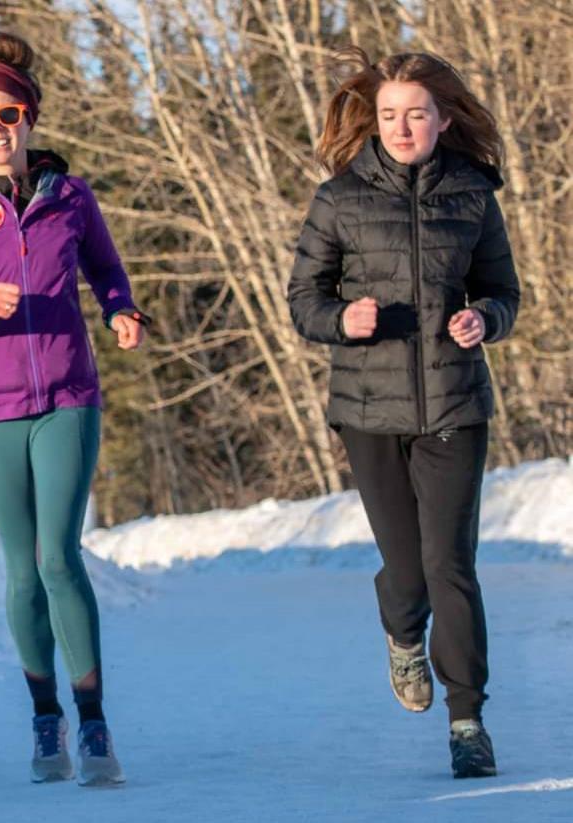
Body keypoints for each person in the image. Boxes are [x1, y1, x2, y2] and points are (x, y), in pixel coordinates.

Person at [0, 31, 149, 787]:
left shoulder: (70, 197)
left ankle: (94, 722)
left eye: (8, 114)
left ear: (29, 118)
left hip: (67, 398)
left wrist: (121, 309)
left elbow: (106, 270)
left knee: (58, 557)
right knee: (21, 570)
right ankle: (45, 715)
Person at [288, 47, 519, 780]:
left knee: (451, 564)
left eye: (415, 113)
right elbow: (303, 300)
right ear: (374, 120)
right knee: (408, 572)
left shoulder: (472, 196)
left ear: (442, 119)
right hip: (369, 409)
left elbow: (503, 292)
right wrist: (341, 319)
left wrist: (484, 317)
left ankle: (467, 720)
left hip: (454, 401)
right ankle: (401, 632)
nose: (400, 126)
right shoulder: (339, 198)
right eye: (388, 114)